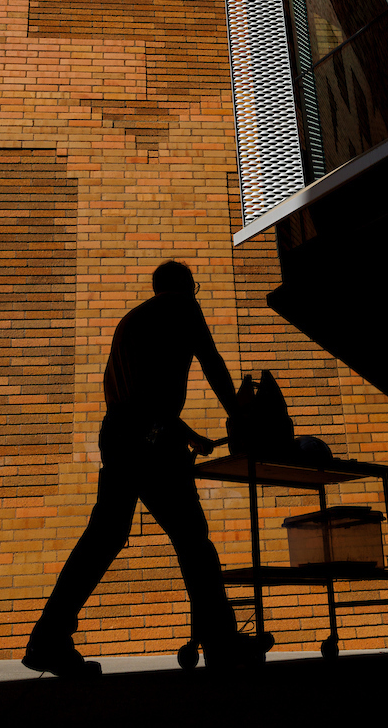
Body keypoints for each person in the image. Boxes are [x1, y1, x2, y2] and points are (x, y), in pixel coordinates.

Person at [23, 260, 256, 677]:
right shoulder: (183, 306)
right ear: (186, 287)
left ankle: (49, 638)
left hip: (120, 434)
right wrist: (238, 418)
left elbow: (138, 401)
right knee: (193, 540)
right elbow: (213, 363)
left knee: (105, 536)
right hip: (151, 439)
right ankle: (222, 642)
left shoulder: (130, 322)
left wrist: (184, 434)